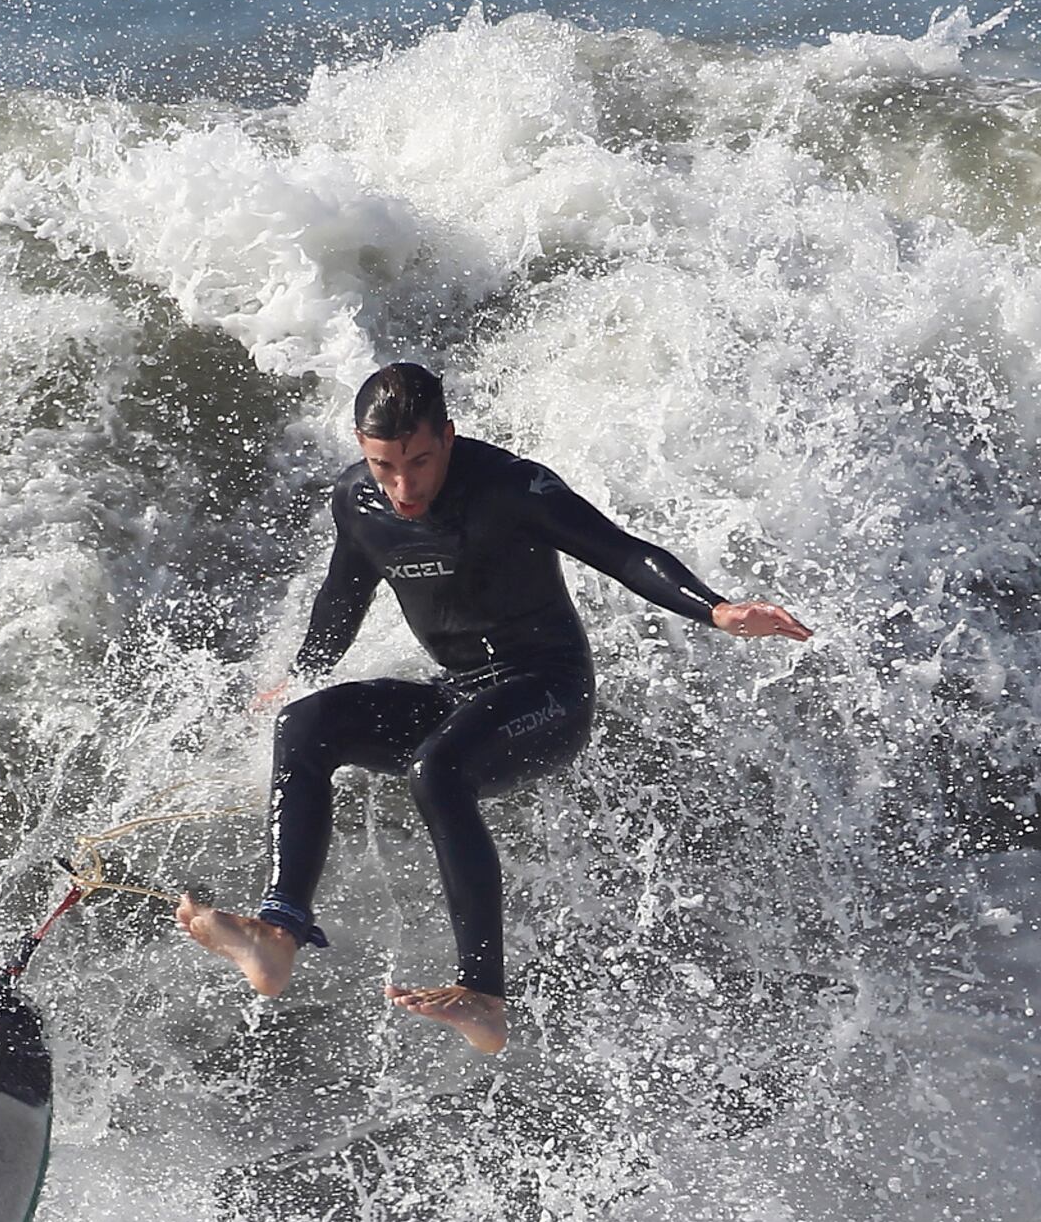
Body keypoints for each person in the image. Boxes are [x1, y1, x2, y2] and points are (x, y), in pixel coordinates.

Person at [176, 362, 811, 1055]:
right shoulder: (357, 503)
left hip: (548, 692)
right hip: (460, 692)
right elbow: (342, 595)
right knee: (304, 725)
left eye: (419, 461)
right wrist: (302, 674)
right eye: (385, 465)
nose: (404, 487)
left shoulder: (514, 487)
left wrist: (715, 608)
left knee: (436, 771)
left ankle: (483, 995)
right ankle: (277, 931)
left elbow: (624, 554)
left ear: (449, 436)